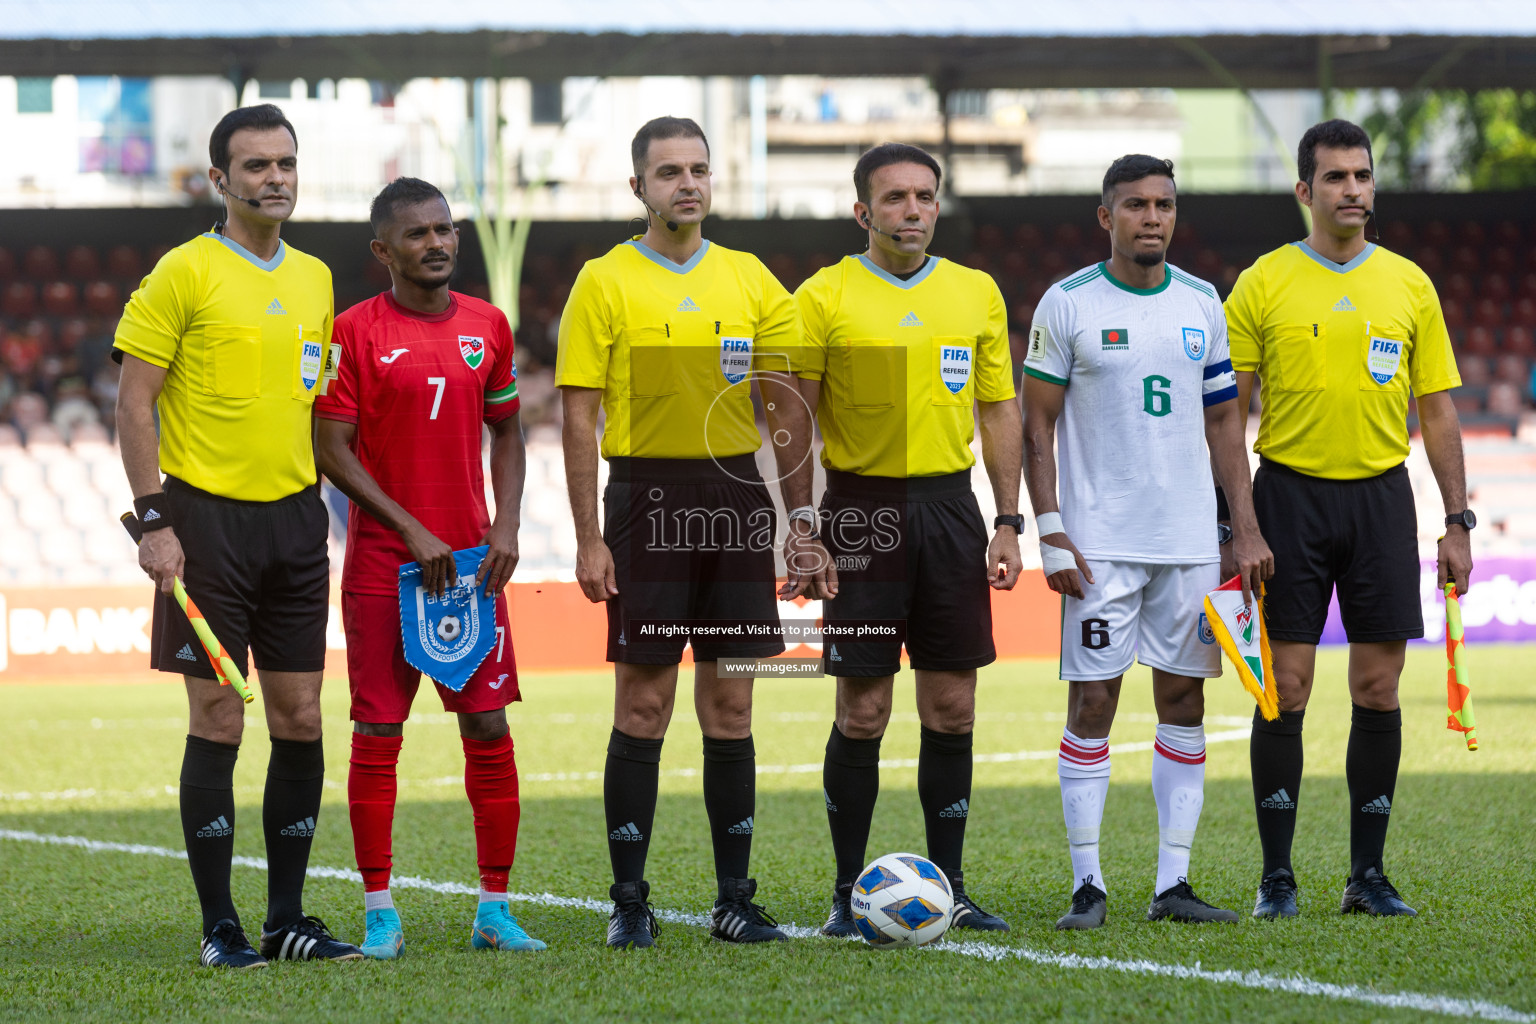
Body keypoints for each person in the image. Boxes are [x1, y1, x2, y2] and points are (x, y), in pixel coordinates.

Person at [113, 104, 360, 968]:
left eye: (286, 163)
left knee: (298, 715)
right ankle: (221, 926)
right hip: (204, 523)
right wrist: (154, 520)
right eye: (255, 166)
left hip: (296, 522)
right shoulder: (184, 270)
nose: (276, 178)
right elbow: (134, 400)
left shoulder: (319, 278)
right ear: (220, 180)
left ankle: (287, 918)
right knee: (219, 716)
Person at [555, 116, 802, 948]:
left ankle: (736, 898)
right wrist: (590, 537)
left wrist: (800, 523)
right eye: (668, 172)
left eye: (698, 169)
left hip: (735, 501)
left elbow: (786, 412)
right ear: (638, 188)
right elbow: (579, 418)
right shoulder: (604, 281)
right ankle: (631, 900)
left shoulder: (751, 278)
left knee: (732, 703)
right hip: (646, 503)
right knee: (646, 701)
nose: (686, 184)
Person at [1226, 119, 1470, 919]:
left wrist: (1457, 520)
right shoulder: (1262, 282)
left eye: (1363, 176)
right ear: (1305, 191)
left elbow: (1435, 411)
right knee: (1286, 691)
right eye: (1335, 178)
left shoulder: (1408, 283)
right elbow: (1227, 414)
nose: (1354, 190)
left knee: (1377, 686)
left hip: (1380, 498)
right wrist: (1240, 521)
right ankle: (1277, 878)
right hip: (1287, 498)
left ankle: (1367, 876)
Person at [1022, 154, 1273, 930]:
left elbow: (1226, 422)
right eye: (1135, 205)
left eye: (1163, 204)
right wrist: (1051, 526)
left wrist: (1245, 527)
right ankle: (1087, 885)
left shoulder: (1203, 303)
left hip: (1192, 542)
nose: (1152, 217)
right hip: (1099, 543)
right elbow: (1037, 424)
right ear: (1107, 217)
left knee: (1183, 699)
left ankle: (1173, 885)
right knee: (1093, 699)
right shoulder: (1066, 305)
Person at [779, 142, 1023, 936]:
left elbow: (997, 412)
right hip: (860, 514)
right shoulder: (824, 295)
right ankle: (848, 894)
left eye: (924, 197)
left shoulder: (976, 294)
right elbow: (795, 421)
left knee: (952, 706)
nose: (912, 211)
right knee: (865, 709)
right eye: (894, 199)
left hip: (953, 512)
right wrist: (804, 527)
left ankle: (949, 885)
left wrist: (1009, 520)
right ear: (863, 212)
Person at [313, 177, 543, 959]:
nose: (437, 243)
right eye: (416, 234)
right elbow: (329, 448)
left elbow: (508, 431)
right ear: (383, 250)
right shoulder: (353, 332)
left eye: (444, 229)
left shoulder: (488, 326)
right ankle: (381, 911)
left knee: (488, 723)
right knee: (379, 729)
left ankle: (494, 909)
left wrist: (507, 521)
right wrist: (408, 528)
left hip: (473, 561)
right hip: (386, 564)